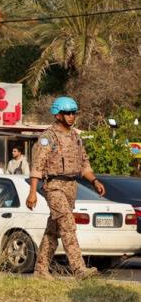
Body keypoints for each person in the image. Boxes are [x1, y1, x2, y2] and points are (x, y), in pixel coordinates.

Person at [27, 96, 104, 280]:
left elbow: (84, 164)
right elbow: (37, 165)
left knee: (54, 229)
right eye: (67, 113)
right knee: (68, 225)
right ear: (58, 115)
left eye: (73, 113)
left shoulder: (76, 137)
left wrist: (94, 181)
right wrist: (32, 193)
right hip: (54, 186)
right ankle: (79, 270)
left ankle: (40, 270)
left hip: (71, 185)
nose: (71, 116)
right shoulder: (48, 137)